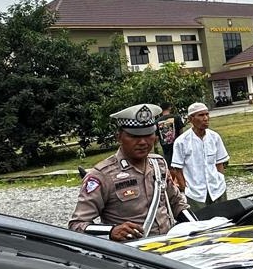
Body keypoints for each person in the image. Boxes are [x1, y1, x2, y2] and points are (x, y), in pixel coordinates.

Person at [68, 103, 188, 241]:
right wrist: (111, 232)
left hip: (167, 248)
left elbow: (177, 203)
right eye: (134, 136)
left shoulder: (159, 164)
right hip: (130, 256)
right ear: (118, 137)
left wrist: (198, 226)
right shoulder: (102, 175)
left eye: (148, 135)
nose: (143, 142)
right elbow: (77, 224)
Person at [170, 102, 229, 214]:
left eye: (207, 114)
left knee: (223, 220)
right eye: (201, 115)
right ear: (191, 119)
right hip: (195, 193)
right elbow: (177, 169)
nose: (206, 118)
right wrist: (185, 188)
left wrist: (220, 179)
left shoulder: (214, 137)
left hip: (217, 189)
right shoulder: (181, 141)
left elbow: (219, 162)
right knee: (201, 224)